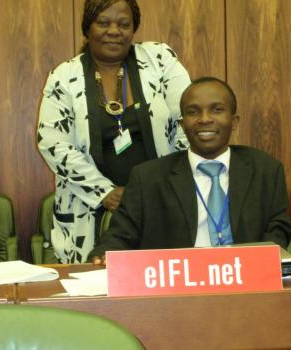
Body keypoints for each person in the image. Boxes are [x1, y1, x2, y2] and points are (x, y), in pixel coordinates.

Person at [37, 0, 191, 263]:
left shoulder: (160, 59)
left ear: (133, 29)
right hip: (88, 211)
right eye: (103, 23)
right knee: (92, 293)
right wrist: (104, 192)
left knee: (162, 288)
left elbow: (189, 118)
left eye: (123, 24)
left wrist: (166, 186)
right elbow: (52, 143)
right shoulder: (63, 76)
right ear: (88, 28)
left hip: (161, 203)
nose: (114, 31)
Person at [89, 77, 291, 264]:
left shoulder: (265, 170)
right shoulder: (148, 178)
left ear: (234, 122)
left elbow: (278, 230)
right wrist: (105, 253)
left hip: (246, 278)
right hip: (176, 287)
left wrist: (258, 265)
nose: (204, 119)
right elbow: (120, 235)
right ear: (182, 124)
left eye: (217, 109)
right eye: (193, 112)